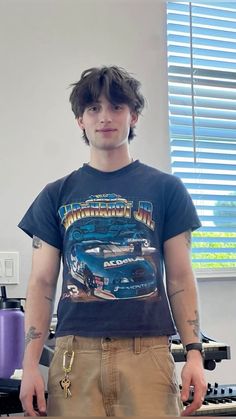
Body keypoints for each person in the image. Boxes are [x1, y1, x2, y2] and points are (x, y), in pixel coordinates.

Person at [18, 66, 206, 417]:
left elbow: (180, 276)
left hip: (147, 354)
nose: (105, 117)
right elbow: (42, 283)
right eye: (93, 108)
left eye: (116, 107)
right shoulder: (55, 194)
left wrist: (194, 352)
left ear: (133, 116)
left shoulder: (167, 189)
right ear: (80, 120)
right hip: (76, 356)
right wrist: (30, 365)